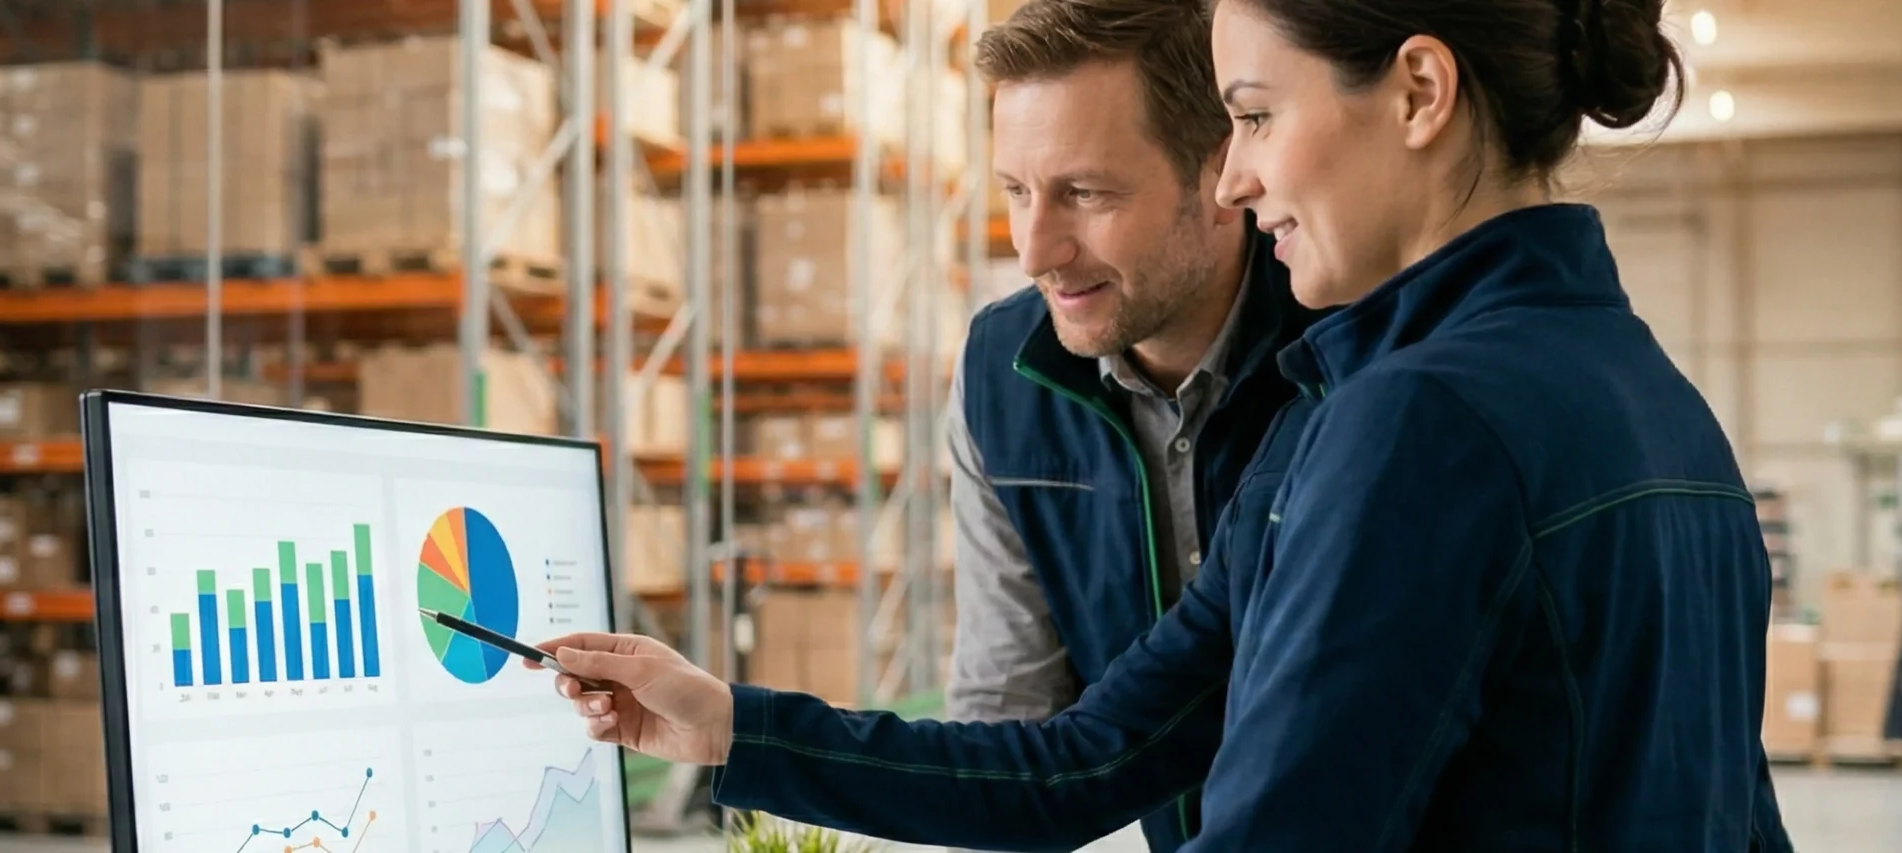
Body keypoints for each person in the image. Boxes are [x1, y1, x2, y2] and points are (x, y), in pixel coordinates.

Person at [539, 0, 1796, 849]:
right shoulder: (1655, 401)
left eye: (1254, 115)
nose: (1239, 176)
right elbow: (1093, 752)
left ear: (1418, 92)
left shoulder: (1415, 423)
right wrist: (729, 725)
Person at [946, 1, 1325, 849]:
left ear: (1222, 173)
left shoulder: (1344, 354)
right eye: (1016, 190)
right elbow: (1010, 716)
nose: (1035, 248)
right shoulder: (999, 379)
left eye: (1084, 193)